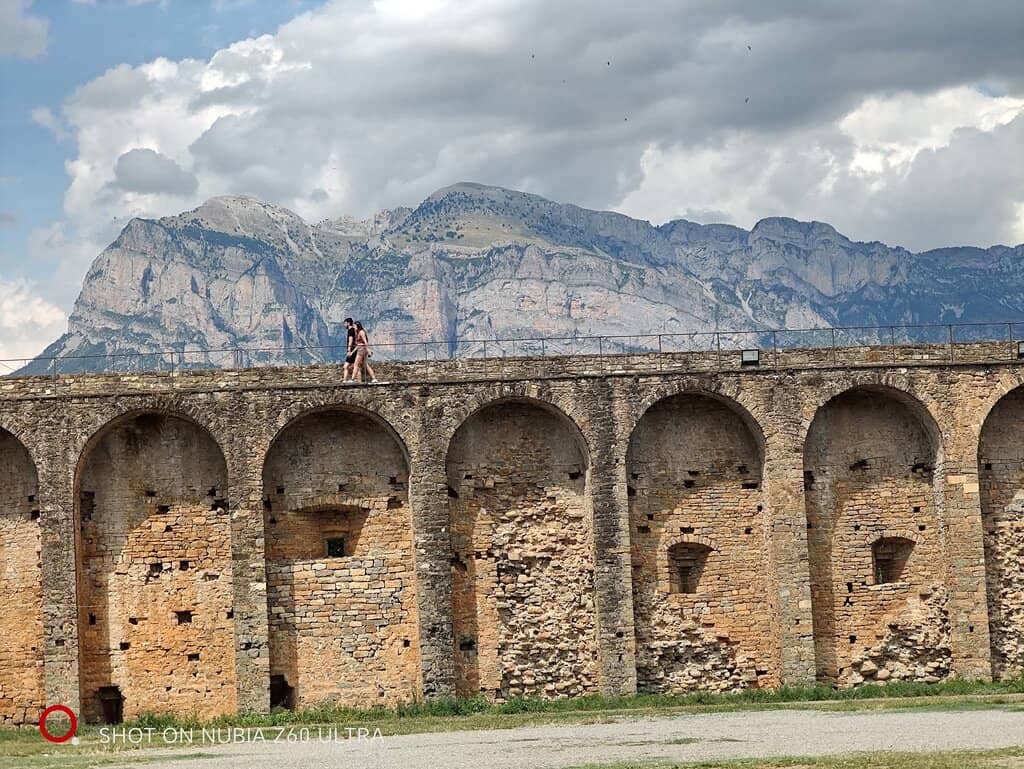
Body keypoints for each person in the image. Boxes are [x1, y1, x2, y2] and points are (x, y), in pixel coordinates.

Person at [341, 317, 357, 382]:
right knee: (356, 366)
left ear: (348, 323)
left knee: (346, 366)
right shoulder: (353, 330)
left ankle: (345, 380)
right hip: (354, 350)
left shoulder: (350, 330)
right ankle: (357, 380)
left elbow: (350, 340)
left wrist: (349, 350)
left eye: (345, 323)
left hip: (352, 350)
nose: (344, 325)